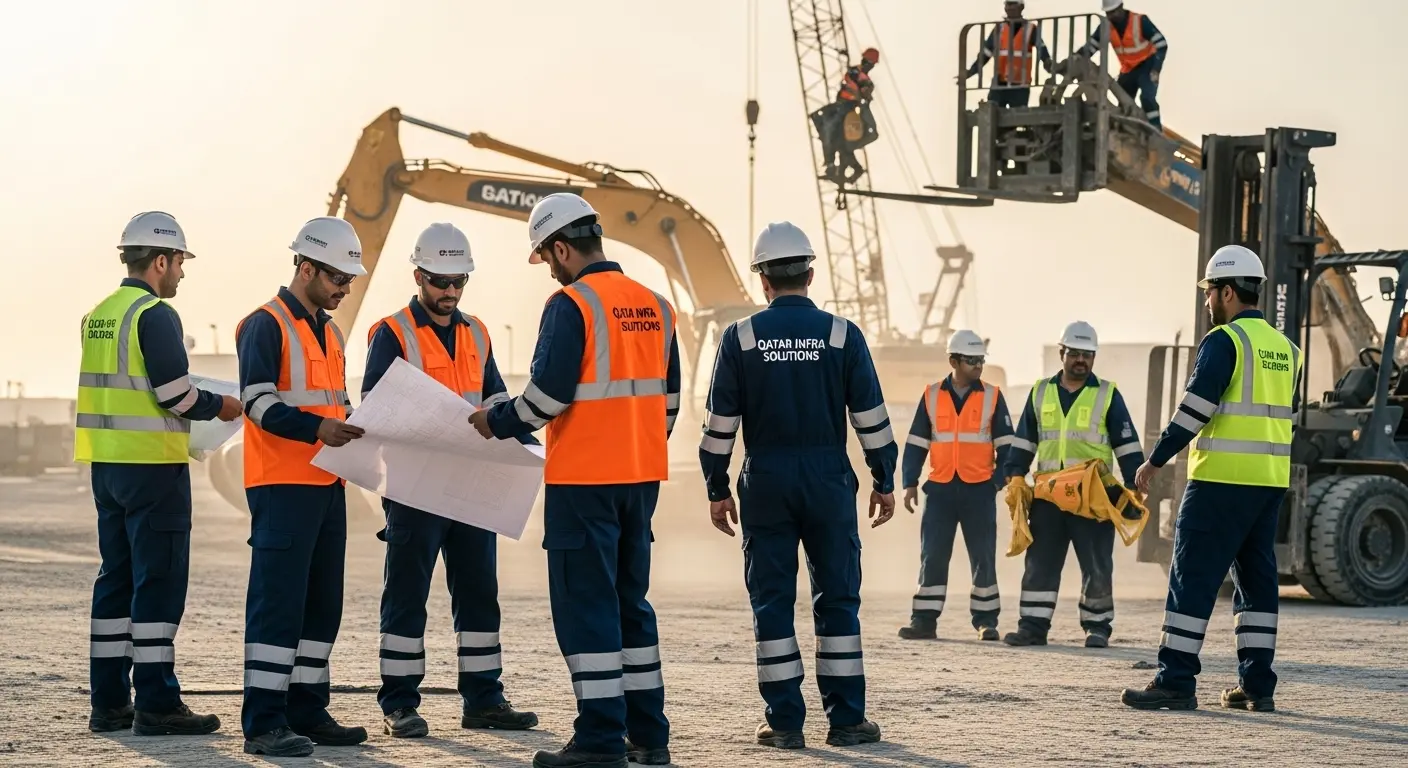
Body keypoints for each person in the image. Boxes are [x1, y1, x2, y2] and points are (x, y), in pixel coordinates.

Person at [468, 192, 680, 768]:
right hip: (641, 480)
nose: (551, 269)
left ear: (562, 246)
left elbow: (545, 399)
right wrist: (634, 443)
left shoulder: (572, 306)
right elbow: (670, 402)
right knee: (630, 605)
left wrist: (495, 422)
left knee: (586, 610)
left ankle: (599, 740)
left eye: (548, 257)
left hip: (584, 483)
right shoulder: (657, 305)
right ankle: (648, 735)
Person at [698, 221, 895, 751]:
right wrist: (884, 479)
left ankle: (784, 723)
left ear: (763, 279)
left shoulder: (738, 338)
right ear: (811, 273)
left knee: (773, 603)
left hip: (766, 482)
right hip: (829, 482)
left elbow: (719, 428)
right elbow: (872, 421)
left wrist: (716, 488)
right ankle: (848, 720)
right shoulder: (842, 335)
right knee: (838, 600)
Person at [362, 222, 539, 738]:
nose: (450, 293)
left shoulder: (477, 331)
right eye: (441, 282)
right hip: (415, 488)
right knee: (406, 595)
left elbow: (496, 396)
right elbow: (378, 406)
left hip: (471, 486)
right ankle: (398, 702)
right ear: (418, 275)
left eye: (459, 282)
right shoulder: (391, 332)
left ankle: (484, 698)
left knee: (480, 595)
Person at [78, 211, 241, 736]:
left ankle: (108, 702)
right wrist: (223, 407)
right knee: (159, 585)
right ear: (161, 260)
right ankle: (157, 703)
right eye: (179, 264)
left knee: (115, 581)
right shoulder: (155, 315)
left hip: (107, 467)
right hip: (153, 470)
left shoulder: (99, 314)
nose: (182, 275)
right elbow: (176, 394)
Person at [1123, 245, 1299, 711]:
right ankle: (1258, 688)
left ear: (1226, 291)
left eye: (1208, 293)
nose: (1206, 303)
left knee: (1192, 578)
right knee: (1258, 584)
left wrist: (1154, 460)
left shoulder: (1225, 342)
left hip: (1220, 482)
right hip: (1268, 483)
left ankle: (1176, 681)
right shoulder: (1288, 350)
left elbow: (1195, 410)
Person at [235, 216, 369, 757]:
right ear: (306, 267)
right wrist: (318, 427)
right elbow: (258, 403)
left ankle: (307, 708)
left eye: (350, 280)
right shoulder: (263, 324)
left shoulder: (330, 331)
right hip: (281, 485)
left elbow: (331, 402)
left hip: (326, 484)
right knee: (278, 604)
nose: (344, 288)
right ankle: (264, 721)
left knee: (321, 604)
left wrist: (356, 421)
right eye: (338, 277)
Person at [1002, 320, 1145, 648]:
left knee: (1096, 563)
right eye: (1075, 353)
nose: (1081, 360)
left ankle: (1097, 627)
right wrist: (1014, 474)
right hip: (1048, 496)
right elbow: (1025, 440)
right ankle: (1033, 627)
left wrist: (1135, 482)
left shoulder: (1108, 394)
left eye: (1088, 354)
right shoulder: (1040, 391)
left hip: (1093, 497)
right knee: (1040, 562)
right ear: (1062, 352)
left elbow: (1126, 443)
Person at [897, 330, 1014, 642]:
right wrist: (909, 482)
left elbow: (1007, 447)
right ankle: (924, 621)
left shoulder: (992, 395)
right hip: (940, 490)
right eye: (972, 360)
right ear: (953, 361)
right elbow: (916, 444)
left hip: (979, 490)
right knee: (932, 556)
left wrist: (997, 481)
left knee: (983, 558)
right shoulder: (932, 395)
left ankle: (986, 621)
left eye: (980, 360)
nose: (978, 366)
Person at [1080, 1, 1168, 129]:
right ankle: (1126, 130)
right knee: (1124, 103)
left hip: (1147, 65)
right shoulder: (1106, 27)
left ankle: (1155, 130)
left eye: (1114, 11)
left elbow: (1161, 44)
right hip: (1128, 69)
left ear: (1121, 7)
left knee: (1147, 98)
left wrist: (1156, 68)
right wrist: (1076, 57)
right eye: (1109, 13)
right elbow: (1091, 47)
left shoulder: (1139, 21)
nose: (1112, 16)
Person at [961, 1, 1052, 108]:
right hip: (999, 84)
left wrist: (1050, 66)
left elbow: (1042, 50)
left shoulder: (1030, 29)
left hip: (1020, 85)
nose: (1010, 8)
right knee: (993, 117)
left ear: (1021, 7)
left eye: (1013, 4)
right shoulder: (1000, 29)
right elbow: (985, 54)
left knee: (1016, 118)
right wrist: (971, 72)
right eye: (1008, 4)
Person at [821, 47, 881, 184]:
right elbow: (855, 84)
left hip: (849, 108)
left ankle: (844, 168)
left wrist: (865, 93)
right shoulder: (855, 72)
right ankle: (835, 167)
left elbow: (864, 93)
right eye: (870, 63)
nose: (870, 67)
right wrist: (863, 92)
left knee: (840, 140)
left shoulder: (865, 79)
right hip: (843, 106)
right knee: (833, 135)